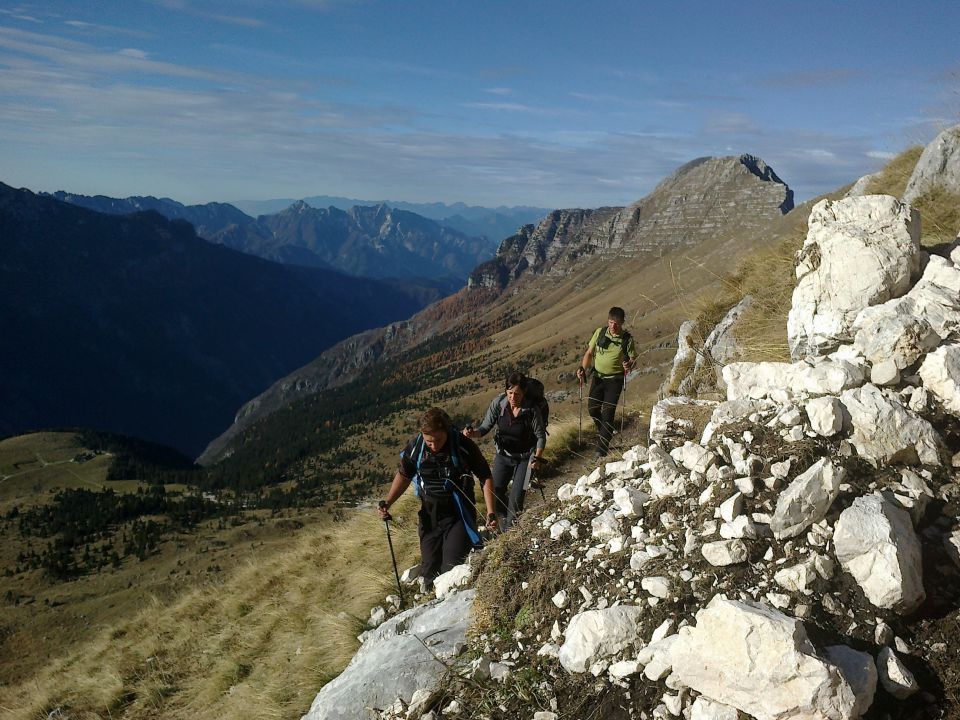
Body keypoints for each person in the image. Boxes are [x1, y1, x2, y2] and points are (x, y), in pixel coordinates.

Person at [378, 407, 497, 588]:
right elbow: (404, 475)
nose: (433, 445)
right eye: (428, 441)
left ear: (447, 431)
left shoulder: (463, 445)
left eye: (438, 440)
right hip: (429, 514)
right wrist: (388, 502)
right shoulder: (416, 448)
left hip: (459, 513)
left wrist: (490, 512)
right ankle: (429, 596)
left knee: (450, 569)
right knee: (429, 570)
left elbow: (485, 476)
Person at [463, 372, 546, 529]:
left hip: (526, 459)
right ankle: (511, 516)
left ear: (524, 393)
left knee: (517, 498)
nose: (513, 397)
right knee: (495, 493)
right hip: (503, 455)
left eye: (517, 394)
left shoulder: (532, 410)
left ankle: (510, 531)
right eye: (510, 393)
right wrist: (473, 433)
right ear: (505, 391)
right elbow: (485, 427)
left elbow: (540, 436)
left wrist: (537, 458)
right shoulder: (499, 403)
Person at [576, 307, 638, 458]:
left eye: (616, 323)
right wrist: (583, 368)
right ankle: (606, 430)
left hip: (615, 380)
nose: (613, 326)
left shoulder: (626, 339)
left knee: (608, 412)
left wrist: (629, 364)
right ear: (607, 321)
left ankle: (601, 448)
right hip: (598, 377)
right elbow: (589, 353)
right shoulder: (600, 332)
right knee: (593, 409)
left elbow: (633, 358)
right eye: (611, 322)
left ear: (622, 322)